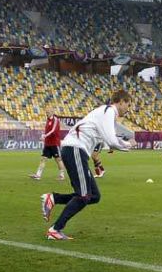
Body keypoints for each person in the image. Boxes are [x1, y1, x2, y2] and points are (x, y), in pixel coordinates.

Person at [40, 90, 137, 240]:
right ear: (121, 101)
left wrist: (123, 144)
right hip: (75, 150)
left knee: (94, 196)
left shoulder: (105, 113)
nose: (128, 108)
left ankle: (54, 198)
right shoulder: (109, 111)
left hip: (77, 151)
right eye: (128, 104)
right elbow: (111, 141)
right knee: (84, 195)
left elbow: (108, 138)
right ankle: (55, 229)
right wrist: (128, 144)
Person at [29, 109, 66, 181]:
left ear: (52, 112)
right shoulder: (48, 120)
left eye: (48, 112)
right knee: (43, 159)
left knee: (58, 159)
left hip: (55, 143)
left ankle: (62, 175)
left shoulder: (55, 120)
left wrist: (44, 136)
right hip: (47, 143)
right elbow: (47, 130)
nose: (47, 113)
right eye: (46, 112)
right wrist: (44, 135)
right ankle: (38, 175)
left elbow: (53, 130)